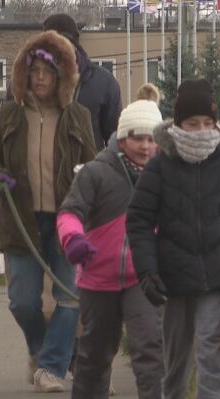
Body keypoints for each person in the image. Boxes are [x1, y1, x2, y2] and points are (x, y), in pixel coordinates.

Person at [127, 79, 220, 399]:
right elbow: (139, 222)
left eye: (207, 123)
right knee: (177, 358)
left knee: (210, 348)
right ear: (179, 125)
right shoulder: (159, 168)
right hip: (172, 278)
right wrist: (147, 271)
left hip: (215, 275)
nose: (201, 131)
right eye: (193, 124)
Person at [0, 30, 96, 392]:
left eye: (48, 70)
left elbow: (92, 166)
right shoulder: (10, 115)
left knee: (70, 295)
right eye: (35, 71)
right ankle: (42, 349)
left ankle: (50, 368)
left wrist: (86, 190)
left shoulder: (79, 116)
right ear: (25, 74)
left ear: (62, 74)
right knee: (22, 303)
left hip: (68, 221)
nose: (41, 77)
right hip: (23, 220)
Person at [57, 84, 165, 399]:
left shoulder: (163, 177)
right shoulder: (95, 173)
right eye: (137, 138)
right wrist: (73, 239)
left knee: (149, 349)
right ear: (121, 139)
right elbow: (69, 212)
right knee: (95, 356)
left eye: (152, 139)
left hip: (142, 277)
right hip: (97, 277)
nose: (145, 147)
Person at [43, 13, 122, 149]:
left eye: (65, 44)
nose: (59, 51)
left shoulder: (103, 83)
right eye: (52, 45)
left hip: (87, 168)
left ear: (75, 45)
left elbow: (115, 142)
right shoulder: (26, 81)